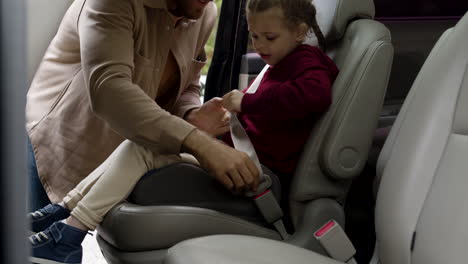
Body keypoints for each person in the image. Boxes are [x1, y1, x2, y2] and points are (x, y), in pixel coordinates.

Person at [28, 0, 338, 263]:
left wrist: (205, 112)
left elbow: (313, 95)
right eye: (255, 37)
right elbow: (110, 89)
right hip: (65, 145)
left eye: (268, 37)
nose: (258, 46)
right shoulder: (113, 5)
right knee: (142, 146)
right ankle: (64, 216)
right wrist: (200, 141)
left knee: (143, 147)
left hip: (257, 170)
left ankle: (67, 226)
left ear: (298, 32)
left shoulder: (305, 61)